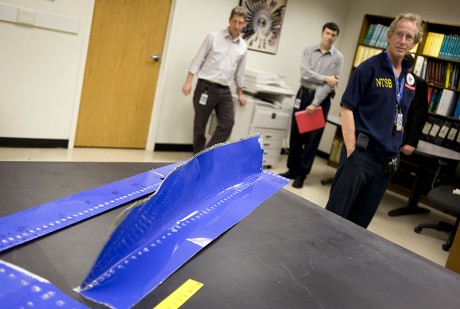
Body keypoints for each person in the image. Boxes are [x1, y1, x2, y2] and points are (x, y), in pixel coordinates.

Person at [325, 13, 424, 228]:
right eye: (399, 34)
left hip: (386, 163)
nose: (403, 40)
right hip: (361, 154)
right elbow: (347, 108)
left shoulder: (409, 79)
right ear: (389, 36)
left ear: (414, 43)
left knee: (359, 224)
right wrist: (351, 151)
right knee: (334, 216)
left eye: (409, 37)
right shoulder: (368, 68)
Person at [279, 22, 343, 188]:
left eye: (333, 35)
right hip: (303, 95)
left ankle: (301, 175)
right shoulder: (309, 50)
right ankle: (291, 169)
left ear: (336, 37)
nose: (329, 37)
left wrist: (315, 104)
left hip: (321, 102)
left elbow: (331, 84)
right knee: (296, 135)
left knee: (312, 141)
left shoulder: (338, 58)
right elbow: (305, 74)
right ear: (322, 33)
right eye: (327, 33)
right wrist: (324, 78)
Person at [182, 6, 248, 154]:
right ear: (229, 21)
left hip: (225, 90)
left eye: (240, 23)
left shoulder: (243, 46)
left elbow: (240, 73)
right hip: (205, 87)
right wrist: (188, 81)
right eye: (234, 21)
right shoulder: (213, 37)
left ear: (244, 25)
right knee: (200, 126)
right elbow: (198, 59)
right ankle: (197, 159)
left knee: (227, 124)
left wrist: (241, 93)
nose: (237, 26)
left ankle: (206, 155)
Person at [401, 54, 429, 156]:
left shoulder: (418, 83)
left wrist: (411, 142)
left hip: (401, 135)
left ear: (411, 67)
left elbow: (419, 115)